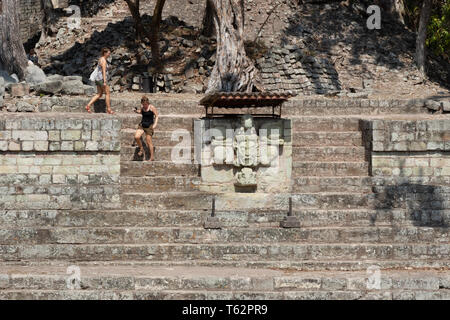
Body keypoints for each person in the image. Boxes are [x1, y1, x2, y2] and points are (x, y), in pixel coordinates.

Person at [85, 47, 114, 114]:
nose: (109, 54)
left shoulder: (100, 59)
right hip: (101, 79)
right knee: (107, 93)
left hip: (97, 79)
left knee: (99, 94)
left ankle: (88, 105)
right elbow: (103, 71)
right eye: (108, 53)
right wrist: (104, 81)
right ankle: (109, 109)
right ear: (105, 53)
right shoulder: (103, 60)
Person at [134, 96, 159, 161]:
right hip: (142, 125)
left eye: (146, 104)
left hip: (149, 126)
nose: (145, 105)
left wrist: (155, 124)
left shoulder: (152, 107)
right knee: (137, 137)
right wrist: (136, 111)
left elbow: (156, 115)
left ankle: (152, 157)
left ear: (148, 103)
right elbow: (141, 111)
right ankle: (141, 148)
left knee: (148, 141)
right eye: (143, 104)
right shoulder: (142, 107)